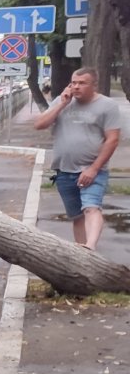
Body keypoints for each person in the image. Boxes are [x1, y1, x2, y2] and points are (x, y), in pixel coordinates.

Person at [33, 68, 122, 250]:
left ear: (94, 85)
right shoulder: (63, 101)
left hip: (92, 170)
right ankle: (82, 256)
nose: (76, 87)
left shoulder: (107, 106)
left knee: (91, 207)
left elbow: (112, 139)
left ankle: (90, 246)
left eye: (82, 83)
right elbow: (39, 124)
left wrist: (94, 169)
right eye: (73, 82)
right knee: (76, 216)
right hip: (64, 170)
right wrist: (62, 104)